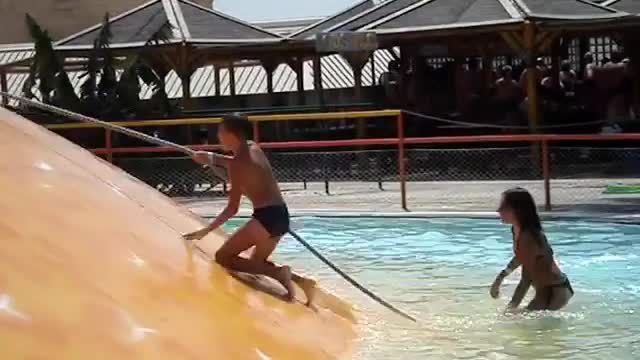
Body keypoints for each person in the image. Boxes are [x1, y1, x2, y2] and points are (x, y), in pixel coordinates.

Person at [183, 113, 316, 305]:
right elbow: (237, 164)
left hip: (265, 218)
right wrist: (211, 158)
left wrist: (205, 231)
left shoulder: (237, 165)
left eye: (220, 132)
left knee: (223, 257)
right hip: (281, 216)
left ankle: (279, 273)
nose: (218, 136)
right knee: (255, 265)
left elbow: (232, 208)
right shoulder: (254, 147)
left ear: (231, 134)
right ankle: (303, 282)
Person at [490, 188, 573, 311]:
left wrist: (510, 309)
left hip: (556, 291)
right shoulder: (516, 229)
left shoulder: (529, 236)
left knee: (527, 324)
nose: (498, 210)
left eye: (504, 206)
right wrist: (500, 278)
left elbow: (526, 280)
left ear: (517, 210)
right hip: (543, 289)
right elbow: (520, 257)